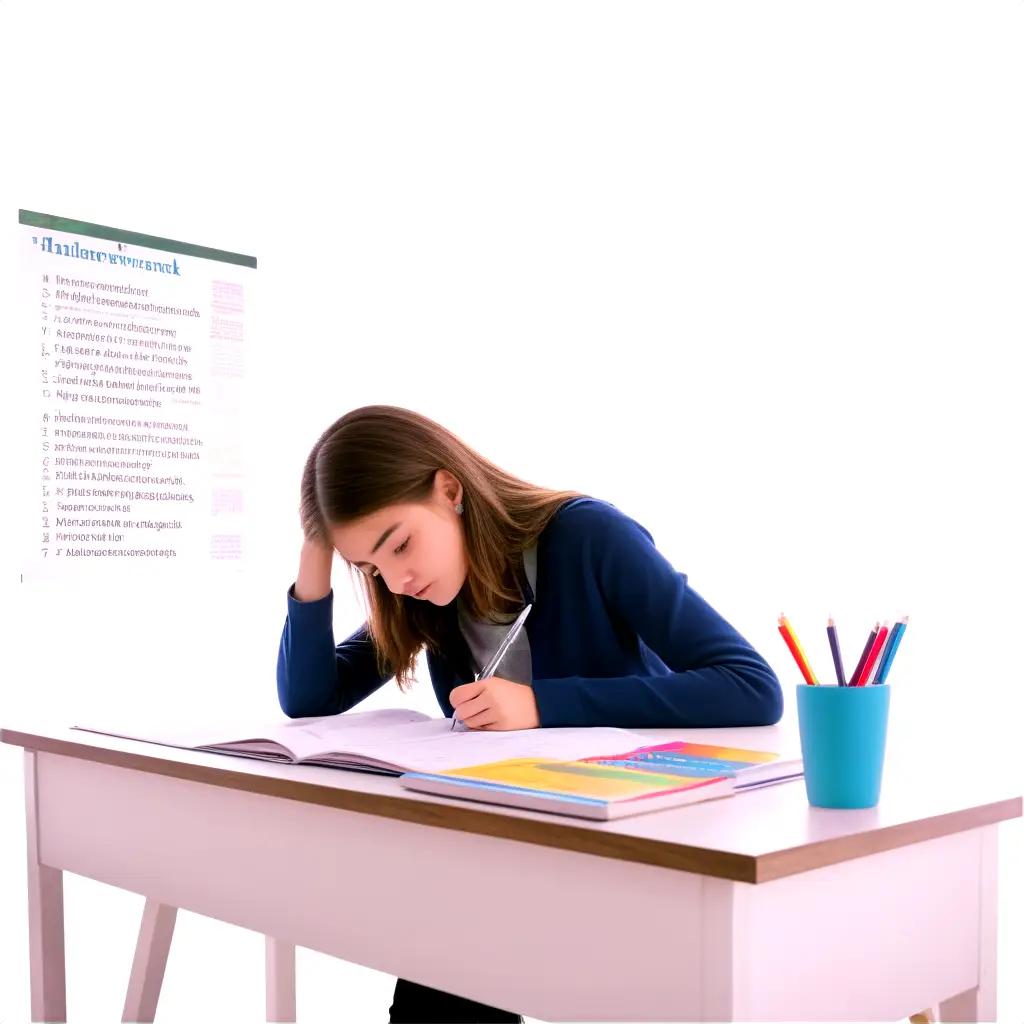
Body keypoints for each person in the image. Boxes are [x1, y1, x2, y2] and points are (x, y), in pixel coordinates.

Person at [277, 404, 783, 1023]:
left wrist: (544, 704)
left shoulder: (589, 537)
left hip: (634, 839)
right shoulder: (424, 594)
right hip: (511, 845)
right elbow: (309, 697)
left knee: (462, 931)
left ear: (450, 489)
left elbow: (751, 685)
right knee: (449, 942)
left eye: (400, 545)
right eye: (371, 567)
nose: (397, 579)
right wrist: (315, 547)